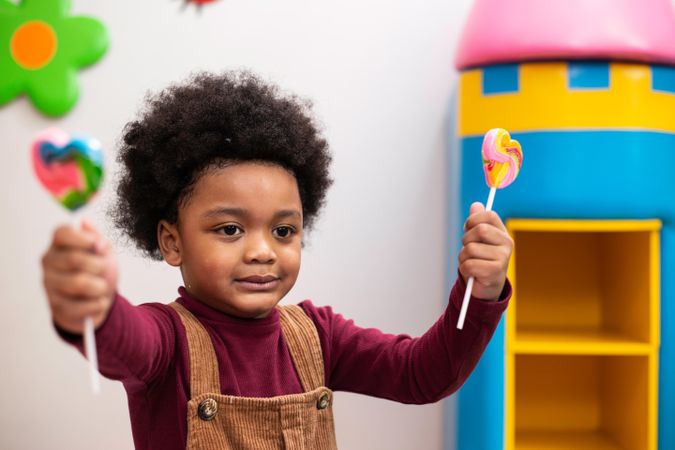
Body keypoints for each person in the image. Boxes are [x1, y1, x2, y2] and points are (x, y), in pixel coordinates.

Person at [41, 71, 512, 450]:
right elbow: (125, 341)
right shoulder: (166, 343)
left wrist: (481, 290)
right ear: (171, 241)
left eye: (283, 230)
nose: (263, 250)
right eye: (230, 229)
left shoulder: (320, 336)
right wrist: (95, 305)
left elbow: (423, 376)